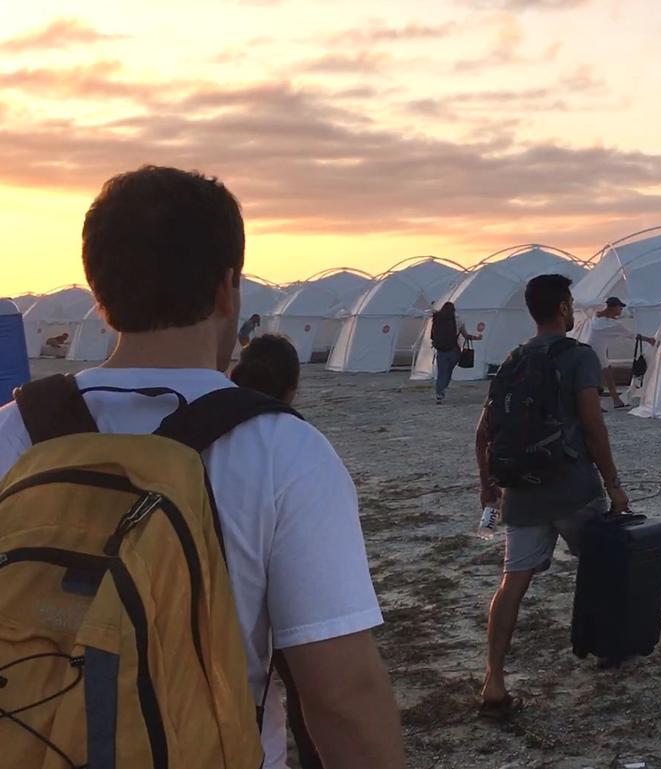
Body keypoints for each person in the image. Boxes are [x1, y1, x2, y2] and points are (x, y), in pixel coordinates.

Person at [0, 166, 405, 769]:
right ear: (227, 289)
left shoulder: (12, 431)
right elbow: (341, 696)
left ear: (99, 294)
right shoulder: (283, 452)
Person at [474, 274, 629, 718]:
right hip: (574, 488)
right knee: (602, 566)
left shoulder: (514, 359)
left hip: (521, 491)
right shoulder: (578, 357)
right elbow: (592, 425)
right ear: (563, 308)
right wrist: (614, 484)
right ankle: (606, 648)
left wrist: (489, 485)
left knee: (512, 582)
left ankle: (494, 680)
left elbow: (484, 430)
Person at [230, 333, 320, 769]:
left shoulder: (205, 426)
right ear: (291, 387)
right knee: (306, 684)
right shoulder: (291, 440)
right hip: (279, 583)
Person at [588, 297, 656, 409]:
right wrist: (649, 340)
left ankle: (615, 401)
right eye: (619, 308)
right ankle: (602, 403)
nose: (620, 310)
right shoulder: (612, 325)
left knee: (604, 375)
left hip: (591, 348)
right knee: (600, 377)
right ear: (613, 308)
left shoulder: (596, 317)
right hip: (598, 352)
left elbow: (607, 316)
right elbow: (632, 335)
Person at [430, 301, 481, 404]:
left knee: (441, 372)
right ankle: (443, 388)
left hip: (441, 350)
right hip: (453, 350)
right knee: (449, 371)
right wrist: (477, 337)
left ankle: (439, 393)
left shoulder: (437, 318)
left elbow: (432, 334)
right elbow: (465, 335)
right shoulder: (458, 320)